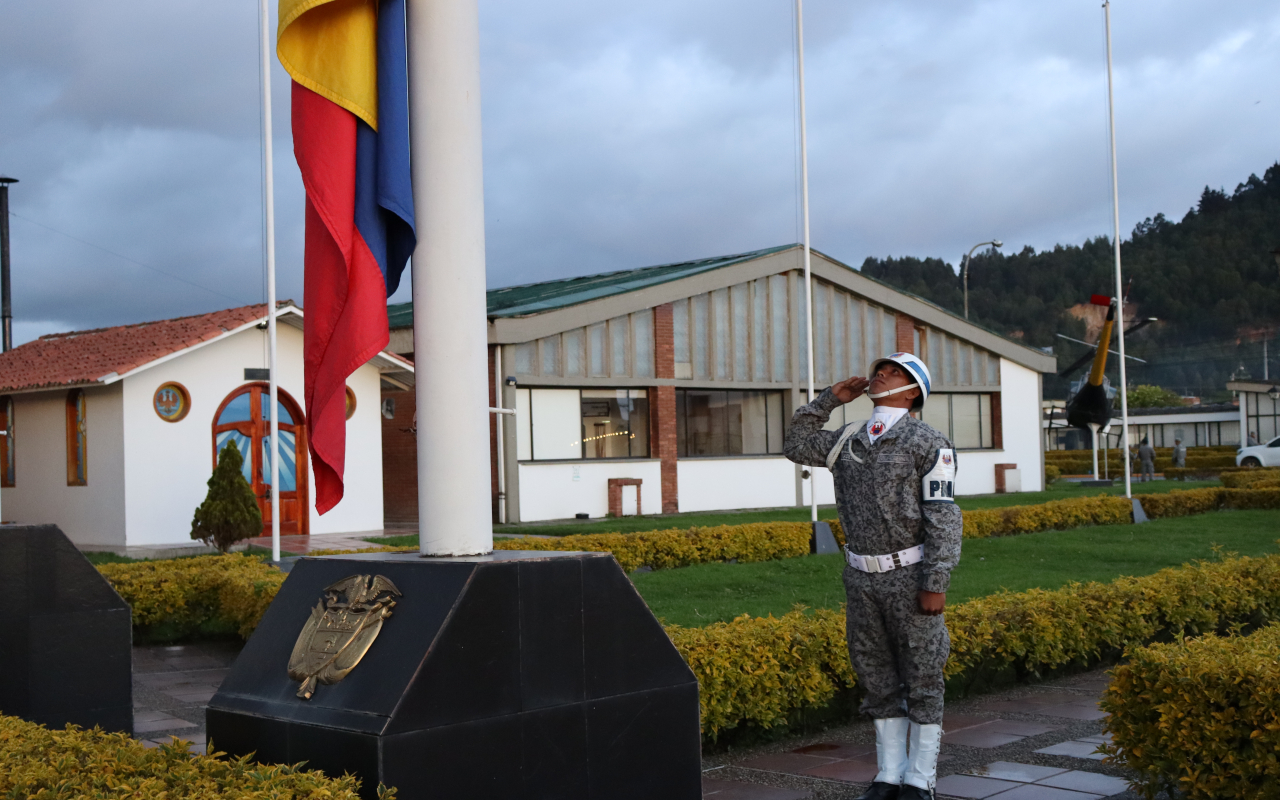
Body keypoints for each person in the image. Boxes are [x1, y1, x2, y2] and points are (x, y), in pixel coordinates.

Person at [785, 353, 961, 800]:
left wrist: (935, 581)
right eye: (880, 368)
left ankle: (920, 779)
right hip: (861, 577)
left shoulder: (928, 442)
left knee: (922, 674)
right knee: (875, 674)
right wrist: (828, 400)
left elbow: (943, 515)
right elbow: (795, 443)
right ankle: (888, 774)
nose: (880, 374)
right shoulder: (849, 438)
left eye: (894, 372)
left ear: (912, 390)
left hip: (910, 574)